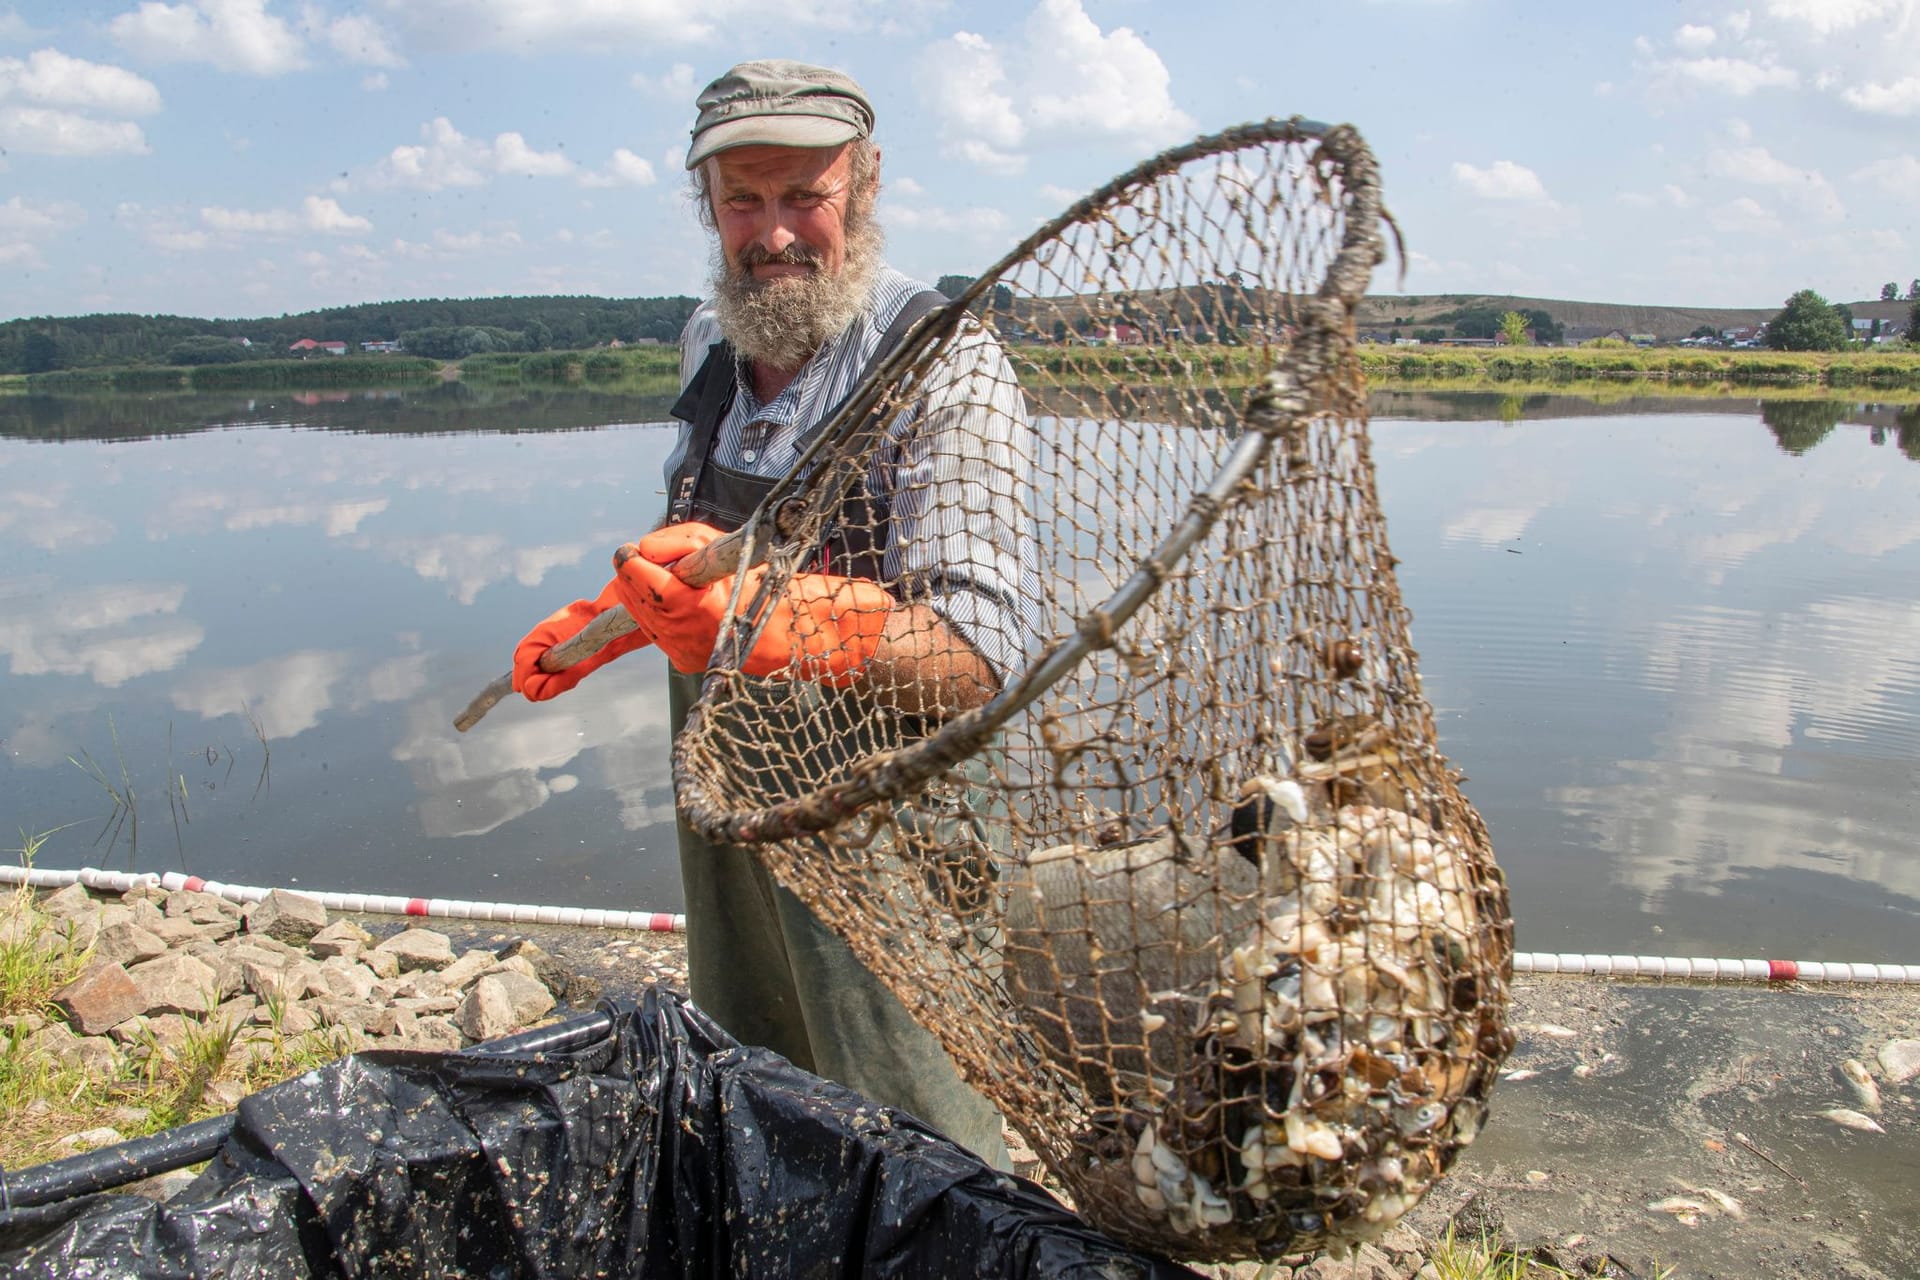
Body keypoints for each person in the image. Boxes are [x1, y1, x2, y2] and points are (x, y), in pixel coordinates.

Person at [510, 59, 1040, 1170]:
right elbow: (703, 544)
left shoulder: (945, 366)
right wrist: (616, 615)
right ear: (704, 199)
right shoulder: (710, 338)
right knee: (759, 1093)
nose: (774, 233)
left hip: (890, 851)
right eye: (743, 199)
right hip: (733, 819)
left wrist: (777, 620)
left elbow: (982, 657)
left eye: (806, 193)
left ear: (869, 182)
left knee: (918, 1143)